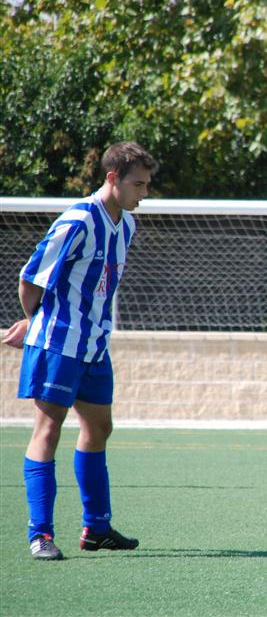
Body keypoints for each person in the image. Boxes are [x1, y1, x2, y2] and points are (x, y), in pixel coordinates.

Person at [2, 141, 159, 560]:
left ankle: (96, 528)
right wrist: (36, 322)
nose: (144, 193)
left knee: (99, 428)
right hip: (59, 345)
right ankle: (40, 535)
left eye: (147, 185)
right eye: (139, 184)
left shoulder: (126, 225)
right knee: (48, 429)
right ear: (113, 178)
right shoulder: (78, 220)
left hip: (94, 347)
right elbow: (31, 278)